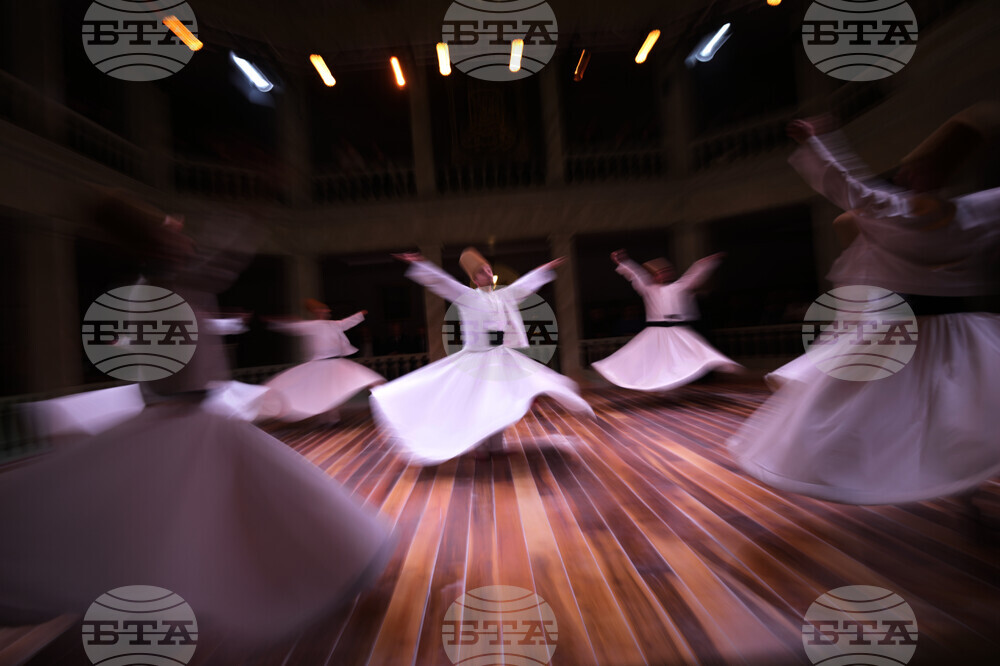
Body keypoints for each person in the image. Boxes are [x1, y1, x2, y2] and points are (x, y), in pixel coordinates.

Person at [0, 194, 393, 642]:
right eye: (176, 234)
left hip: (190, 417)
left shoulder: (163, 288)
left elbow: (188, 323)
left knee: (234, 506)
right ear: (162, 247)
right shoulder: (163, 288)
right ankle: (267, 581)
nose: (186, 239)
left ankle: (271, 575)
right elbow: (211, 279)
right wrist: (252, 210)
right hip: (184, 420)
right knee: (216, 511)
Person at [728, 108, 1000, 505]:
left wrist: (818, 142)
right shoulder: (931, 211)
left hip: (946, 328)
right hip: (928, 328)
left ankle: (957, 475)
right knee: (887, 407)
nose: (911, 175)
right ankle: (929, 472)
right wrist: (820, 144)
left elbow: (849, 185)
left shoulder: (956, 212)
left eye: (920, 169)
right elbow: (850, 187)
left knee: (955, 406)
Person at [370, 248, 593, 463]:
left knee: (499, 403)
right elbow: (442, 283)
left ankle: (496, 446)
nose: (488, 273)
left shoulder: (503, 296)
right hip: (477, 358)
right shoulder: (467, 296)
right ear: (475, 280)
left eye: (488, 269)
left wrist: (543, 270)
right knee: (480, 404)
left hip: (500, 356)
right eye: (482, 272)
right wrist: (420, 264)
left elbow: (524, 286)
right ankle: (480, 448)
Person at [592, 250, 741, 392]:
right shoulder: (648, 288)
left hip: (678, 330)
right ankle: (638, 379)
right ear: (654, 276)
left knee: (699, 351)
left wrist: (708, 262)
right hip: (656, 331)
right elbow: (636, 275)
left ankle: (719, 364)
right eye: (660, 273)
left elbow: (694, 274)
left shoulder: (679, 286)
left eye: (666, 272)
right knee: (646, 359)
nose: (664, 275)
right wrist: (624, 261)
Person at [261, 300, 384, 423]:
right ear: (316, 312)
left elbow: (349, 322)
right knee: (324, 392)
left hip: (336, 363)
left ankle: (384, 403)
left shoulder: (334, 324)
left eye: (325, 310)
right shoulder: (313, 325)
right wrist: (275, 322)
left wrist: (360, 314)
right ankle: (329, 418)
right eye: (321, 310)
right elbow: (293, 326)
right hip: (320, 364)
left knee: (368, 378)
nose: (325, 312)